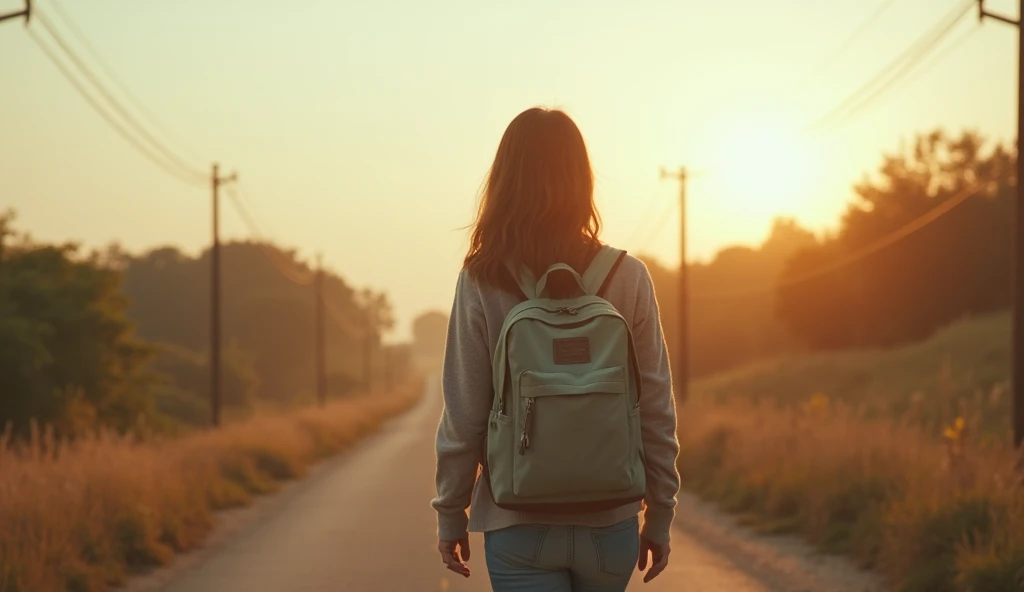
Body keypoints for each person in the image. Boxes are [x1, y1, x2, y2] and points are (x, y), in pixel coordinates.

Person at [432, 107, 681, 592]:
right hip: (611, 526)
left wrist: (450, 514)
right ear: (582, 179)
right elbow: (655, 407)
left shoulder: (482, 278)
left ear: (503, 181)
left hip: (516, 523)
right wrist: (661, 514)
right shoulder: (627, 276)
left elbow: (463, 415)